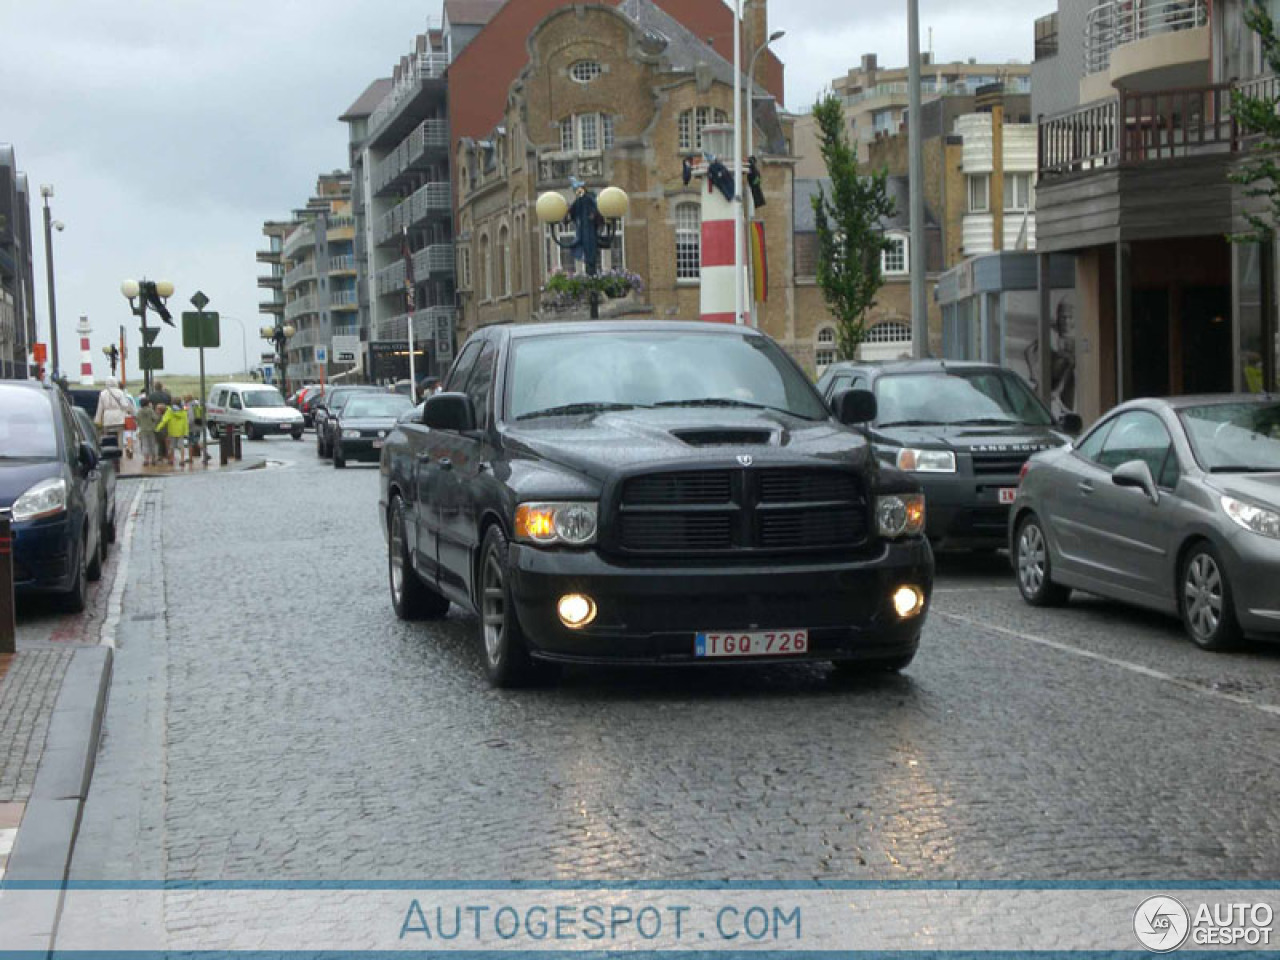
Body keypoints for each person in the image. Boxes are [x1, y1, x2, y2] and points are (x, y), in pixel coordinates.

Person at [93, 377, 131, 449]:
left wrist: (97, 420)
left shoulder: (102, 393)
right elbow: (124, 405)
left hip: (107, 418)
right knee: (120, 437)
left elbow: (100, 408)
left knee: (108, 437)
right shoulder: (120, 392)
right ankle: (119, 451)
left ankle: (110, 450)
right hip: (119, 418)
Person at [155, 401, 190, 467]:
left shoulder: (170, 411)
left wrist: (157, 428)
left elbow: (164, 420)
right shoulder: (183, 411)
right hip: (181, 431)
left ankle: (171, 460)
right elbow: (186, 421)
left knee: (172, 446)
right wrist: (186, 431)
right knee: (181, 446)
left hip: (172, 431)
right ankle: (182, 460)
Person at [135, 397, 160, 467]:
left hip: (143, 430)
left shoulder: (139, 412)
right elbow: (155, 418)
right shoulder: (150, 410)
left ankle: (146, 460)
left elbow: (137, 421)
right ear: (148, 403)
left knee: (145, 445)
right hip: (151, 429)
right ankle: (153, 459)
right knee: (153, 444)